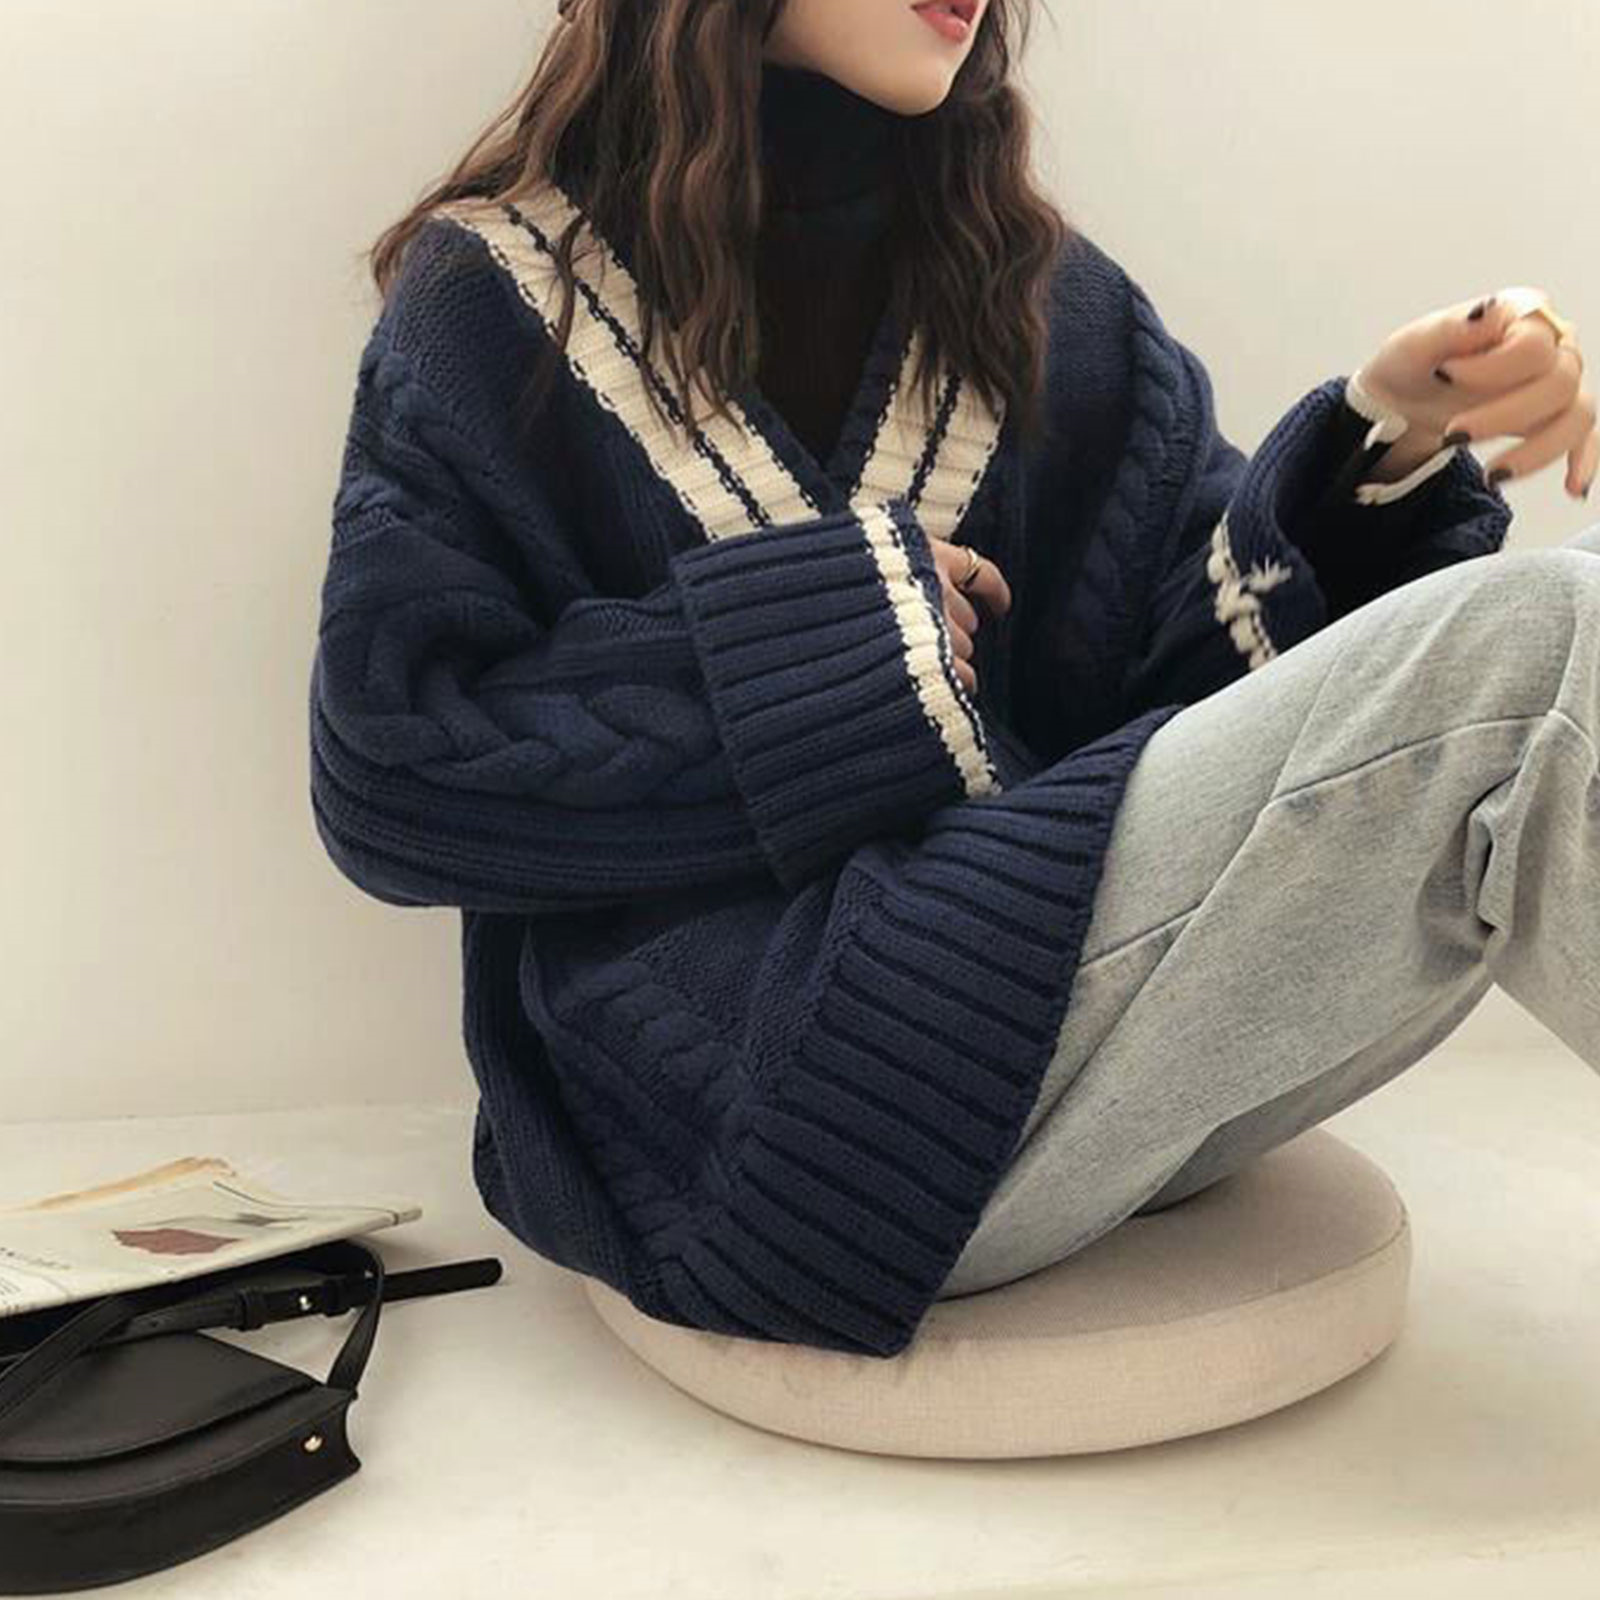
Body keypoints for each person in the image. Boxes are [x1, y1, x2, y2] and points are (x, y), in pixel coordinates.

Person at [307, 0, 1600, 1356]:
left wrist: (1384, 446)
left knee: (1576, 606)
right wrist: (849, 640)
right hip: (775, 1130)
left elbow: (1184, 715)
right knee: (1541, 640)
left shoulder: (1042, 297)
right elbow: (387, 773)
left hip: (1076, 1049)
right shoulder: (499, 299)